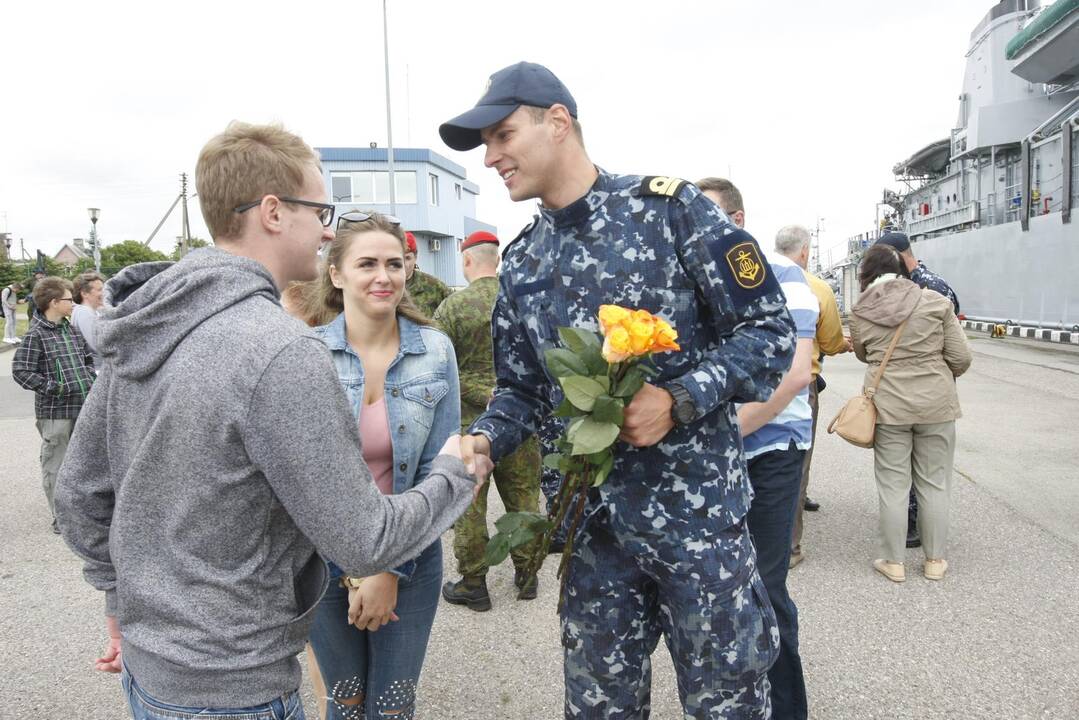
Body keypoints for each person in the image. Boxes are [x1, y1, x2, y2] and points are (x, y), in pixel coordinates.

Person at [52, 122, 480, 720]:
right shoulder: (280, 351)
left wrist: (128, 601)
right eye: (321, 209)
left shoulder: (147, 325)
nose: (328, 229)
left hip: (152, 676)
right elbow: (362, 540)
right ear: (274, 212)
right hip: (236, 689)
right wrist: (455, 474)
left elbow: (78, 495)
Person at [441, 62, 796, 719]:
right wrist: (486, 437)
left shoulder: (668, 211)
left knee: (729, 707)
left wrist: (679, 396)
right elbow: (521, 388)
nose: (490, 157)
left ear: (557, 122)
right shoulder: (523, 262)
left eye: (501, 135)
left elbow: (768, 334)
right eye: (485, 143)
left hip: (698, 533)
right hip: (593, 542)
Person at [297, 210, 463, 719]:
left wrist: (387, 567)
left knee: (392, 709)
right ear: (336, 273)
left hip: (410, 557)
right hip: (321, 561)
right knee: (343, 704)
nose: (383, 276)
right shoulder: (304, 354)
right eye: (366, 263)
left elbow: (445, 471)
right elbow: (300, 479)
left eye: (395, 263)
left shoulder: (436, 352)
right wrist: (357, 568)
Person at [698, 179, 816, 720]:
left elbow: (794, 375)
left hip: (769, 450)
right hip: (712, 460)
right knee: (714, 592)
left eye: (710, 215)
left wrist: (721, 433)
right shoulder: (691, 277)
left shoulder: (782, 275)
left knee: (765, 586)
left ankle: (787, 709)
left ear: (738, 220)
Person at [850, 245, 971, 583]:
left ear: (867, 274)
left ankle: (893, 562)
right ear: (903, 268)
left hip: (888, 406)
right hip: (936, 403)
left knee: (893, 485)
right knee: (934, 483)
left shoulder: (861, 310)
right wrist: (936, 374)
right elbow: (961, 357)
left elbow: (862, 354)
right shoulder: (935, 301)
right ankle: (934, 561)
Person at [436, 230, 543, 611]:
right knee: (524, 498)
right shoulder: (521, 303)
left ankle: (473, 583)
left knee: (469, 504)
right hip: (519, 422)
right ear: (495, 261)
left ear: (467, 261)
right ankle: (527, 575)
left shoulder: (453, 307)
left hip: (470, 425)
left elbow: (438, 366)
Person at [769, 225, 848, 568]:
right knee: (794, 465)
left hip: (754, 382)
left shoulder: (758, 276)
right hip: (802, 384)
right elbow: (831, 341)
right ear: (804, 252)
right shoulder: (816, 286)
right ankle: (790, 548)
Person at [875, 231, 960, 548]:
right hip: (934, 396)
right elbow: (958, 351)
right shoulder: (937, 286)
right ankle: (928, 542)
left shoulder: (923, 288)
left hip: (901, 398)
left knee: (908, 476)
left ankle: (911, 528)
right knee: (929, 475)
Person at [11, 276, 95, 533]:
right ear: (54, 302)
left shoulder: (69, 330)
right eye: (69, 299)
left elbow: (86, 358)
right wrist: (57, 388)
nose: (73, 303)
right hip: (56, 414)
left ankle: (84, 513)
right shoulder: (36, 335)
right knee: (56, 465)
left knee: (84, 464)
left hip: (82, 407)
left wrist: (89, 376)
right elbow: (21, 371)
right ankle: (63, 518)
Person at [403, 231, 451, 318]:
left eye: (407, 258)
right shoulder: (385, 285)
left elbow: (454, 308)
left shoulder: (433, 286)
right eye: (399, 258)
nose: (403, 264)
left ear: (415, 257)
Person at [71, 271, 106, 366]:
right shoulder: (85, 313)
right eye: (100, 290)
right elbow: (98, 345)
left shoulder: (86, 311)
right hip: (96, 370)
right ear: (85, 294)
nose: (104, 293)